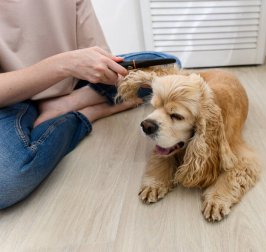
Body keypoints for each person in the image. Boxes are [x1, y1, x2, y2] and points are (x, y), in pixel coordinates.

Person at [0, 0, 180, 209]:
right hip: (11, 99)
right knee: (6, 183)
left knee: (166, 64)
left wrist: (114, 74)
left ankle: (68, 104)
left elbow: (100, 56)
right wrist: (62, 65)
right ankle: (91, 112)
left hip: (73, 86)